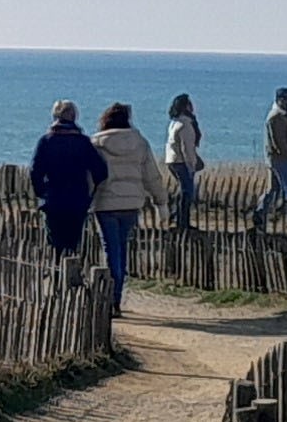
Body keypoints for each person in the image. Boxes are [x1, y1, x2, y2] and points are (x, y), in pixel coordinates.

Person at [88, 103, 157, 304]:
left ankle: (112, 298)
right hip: (131, 203)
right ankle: (117, 295)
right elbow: (151, 175)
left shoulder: (97, 143)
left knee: (111, 249)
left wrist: (87, 199)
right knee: (122, 249)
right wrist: (160, 200)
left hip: (106, 202)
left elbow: (91, 176)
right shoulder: (140, 142)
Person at [28, 101, 105, 260]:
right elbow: (101, 171)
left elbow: (35, 171)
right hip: (78, 199)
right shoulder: (83, 142)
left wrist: (42, 192)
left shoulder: (46, 141)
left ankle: (57, 275)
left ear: (55, 116)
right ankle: (71, 276)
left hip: (54, 199)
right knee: (73, 241)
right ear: (74, 117)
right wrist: (91, 193)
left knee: (55, 242)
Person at [254, 89, 287, 233]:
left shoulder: (282, 115)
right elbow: (278, 141)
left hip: (280, 158)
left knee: (273, 189)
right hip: (280, 159)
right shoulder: (275, 117)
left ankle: (260, 214)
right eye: (286, 100)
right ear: (279, 99)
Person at [163, 94, 206, 230]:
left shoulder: (174, 123)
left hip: (172, 160)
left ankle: (179, 219)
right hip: (181, 162)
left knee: (184, 191)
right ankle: (182, 222)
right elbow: (186, 147)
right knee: (187, 192)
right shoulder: (185, 124)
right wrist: (191, 164)